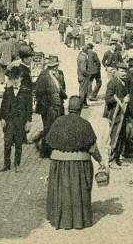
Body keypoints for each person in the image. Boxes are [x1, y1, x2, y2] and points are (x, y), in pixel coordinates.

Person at [46, 96, 106, 230]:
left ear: (68, 108)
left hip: (59, 164)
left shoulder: (58, 122)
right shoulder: (84, 124)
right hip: (79, 165)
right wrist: (100, 160)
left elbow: (49, 142)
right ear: (80, 109)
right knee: (78, 190)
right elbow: (92, 147)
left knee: (62, 191)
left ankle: (61, 219)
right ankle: (79, 220)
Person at [0, 46, 34, 172]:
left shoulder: (25, 92)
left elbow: (29, 108)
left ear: (20, 79)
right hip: (9, 121)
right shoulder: (8, 92)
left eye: (17, 79)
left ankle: (17, 165)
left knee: (18, 144)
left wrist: (28, 121)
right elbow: (3, 106)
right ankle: (6, 165)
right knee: (7, 143)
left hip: (20, 121)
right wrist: (2, 118)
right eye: (13, 79)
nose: (14, 82)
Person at [35, 56, 67, 158]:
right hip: (48, 107)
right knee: (48, 129)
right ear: (49, 67)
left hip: (59, 106)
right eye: (52, 67)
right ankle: (45, 152)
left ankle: (56, 149)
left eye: (56, 66)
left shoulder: (60, 74)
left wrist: (62, 95)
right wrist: (48, 101)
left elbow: (63, 87)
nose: (55, 68)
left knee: (58, 128)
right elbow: (39, 92)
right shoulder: (43, 76)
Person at [103, 62, 130, 166]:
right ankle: (111, 160)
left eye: (125, 72)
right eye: (122, 71)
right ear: (117, 71)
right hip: (114, 114)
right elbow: (108, 98)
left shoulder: (124, 81)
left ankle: (117, 158)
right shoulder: (113, 83)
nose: (124, 74)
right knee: (115, 136)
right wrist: (123, 99)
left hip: (122, 114)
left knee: (121, 136)